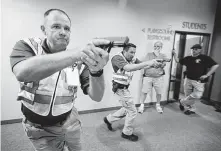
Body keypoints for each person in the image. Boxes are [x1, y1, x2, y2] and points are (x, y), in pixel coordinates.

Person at [10, 9, 110, 151]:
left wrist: (97, 70)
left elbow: (97, 96)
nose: (63, 32)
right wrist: (78, 53)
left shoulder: (78, 60)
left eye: (67, 28)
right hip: (39, 129)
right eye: (56, 26)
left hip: (70, 120)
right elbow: (22, 73)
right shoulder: (28, 47)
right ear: (43, 29)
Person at [103, 43, 163, 141]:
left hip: (125, 88)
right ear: (124, 50)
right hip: (119, 89)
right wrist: (148, 63)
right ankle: (126, 133)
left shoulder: (132, 59)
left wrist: (155, 64)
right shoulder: (117, 58)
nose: (133, 54)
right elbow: (128, 68)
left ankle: (109, 119)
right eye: (131, 52)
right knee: (132, 111)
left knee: (127, 108)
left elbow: (141, 66)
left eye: (134, 52)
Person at [172, 44, 219, 115]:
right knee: (188, 95)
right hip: (188, 79)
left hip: (198, 81)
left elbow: (216, 65)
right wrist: (174, 54)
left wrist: (207, 75)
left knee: (198, 95)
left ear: (200, 50)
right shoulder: (188, 58)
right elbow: (177, 60)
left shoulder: (205, 58)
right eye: (192, 49)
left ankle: (182, 102)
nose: (194, 50)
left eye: (196, 49)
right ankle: (191, 109)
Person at [138, 41, 170, 114]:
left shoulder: (163, 55)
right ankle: (142, 105)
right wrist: (153, 65)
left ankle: (158, 105)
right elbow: (144, 64)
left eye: (158, 46)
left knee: (159, 92)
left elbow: (164, 64)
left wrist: (161, 65)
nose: (156, 47)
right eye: (155, 46)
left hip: (158, 77)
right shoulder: (148, 55)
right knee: (144, 91)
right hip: (148, 77)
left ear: (161, 47)